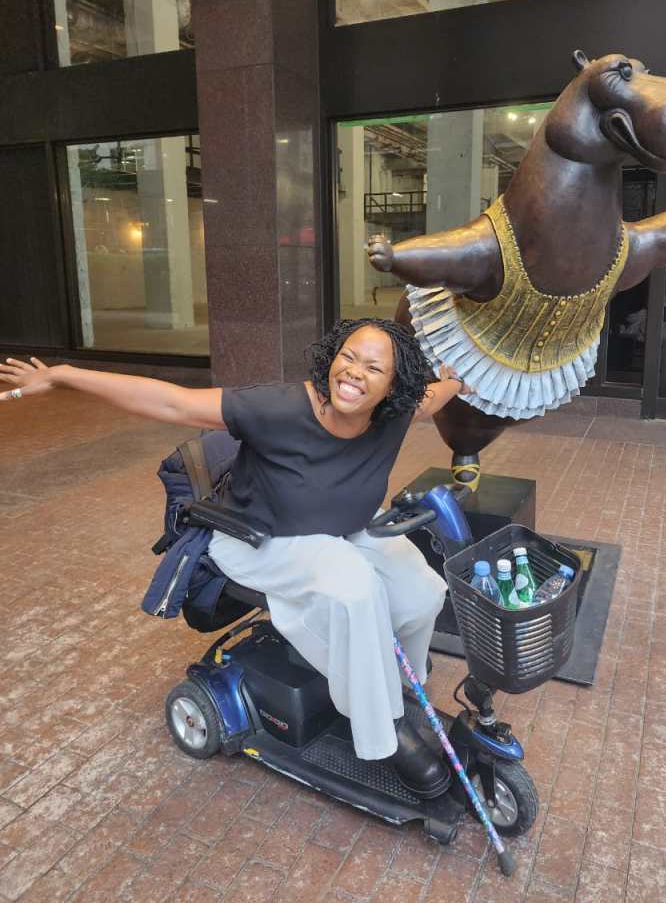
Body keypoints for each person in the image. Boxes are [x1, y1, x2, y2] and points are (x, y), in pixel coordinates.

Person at [0, 319, 473, 798]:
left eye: (374, 368)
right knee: (355, 587)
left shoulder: (395, 411)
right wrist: (63, 374)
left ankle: (405, 684)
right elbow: (172, 401)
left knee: (422, 587)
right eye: (348, 356)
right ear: (331, 355)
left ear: (394, 385)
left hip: (343, 527)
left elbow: (431, 398)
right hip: (257, 539)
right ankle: (383, 732)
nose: (354, 373)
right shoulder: (278, 407)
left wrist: (457, 379)